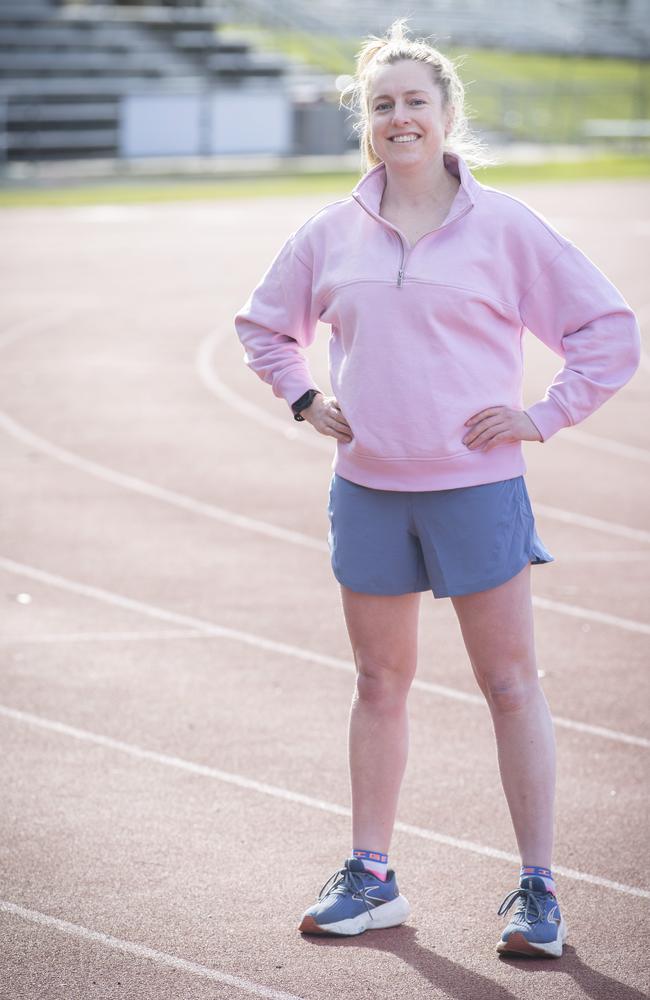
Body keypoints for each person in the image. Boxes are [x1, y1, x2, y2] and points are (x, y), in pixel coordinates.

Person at [233, 19, 641, 958]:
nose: (400, 118)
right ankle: (371, 876)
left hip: (476, 489)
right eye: (383, 105)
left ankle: (537, 889)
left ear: (448, 115)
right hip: (369, 489)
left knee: (508, 684)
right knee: (380, 682)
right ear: (366, 125)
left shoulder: (505, 228)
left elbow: (608, 330)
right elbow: (263, 327)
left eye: (417, 101)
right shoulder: (330, 233)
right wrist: (303, 397)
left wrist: (544, 414)